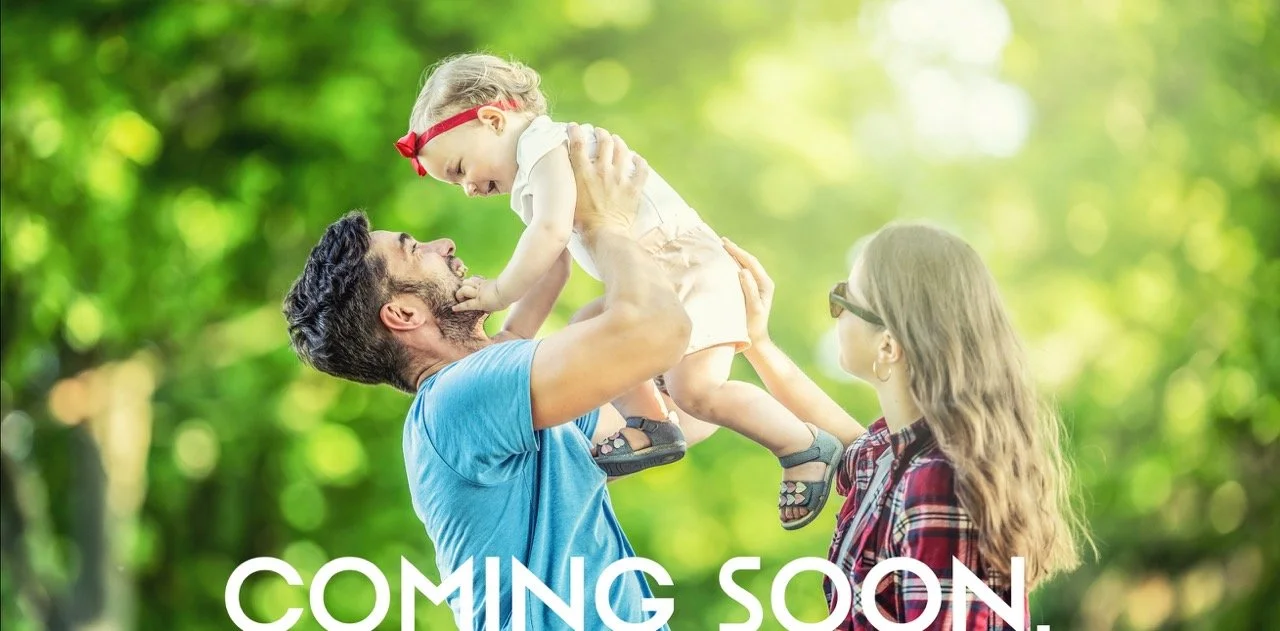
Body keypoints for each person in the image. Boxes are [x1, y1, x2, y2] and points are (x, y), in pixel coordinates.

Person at [282, 127, 716, 630]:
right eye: (413, 248)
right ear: (402, 313)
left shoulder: (501, 399)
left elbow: (678, 422)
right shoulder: (459, 398)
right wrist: (607, 224)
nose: (442, 243)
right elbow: (656, 332)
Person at [392, 52, 843, 529]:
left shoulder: (545, 146)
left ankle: (800, 444)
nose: (467, 189)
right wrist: (515, 332)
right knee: (589, 326)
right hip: (662, 276)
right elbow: (554, 267)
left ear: (492, 118)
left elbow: (547, 236)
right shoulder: (533, 173)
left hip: (685, 267)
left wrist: (499, 292)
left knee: (698, 390)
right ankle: (652, 423)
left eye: (460, 168)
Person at [724, 226, 1089, 629]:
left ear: (888, 345)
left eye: (844, 298)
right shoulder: (895, 455)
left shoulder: (937, 482)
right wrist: (757, 343)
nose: (837, 309)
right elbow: (845, 440)